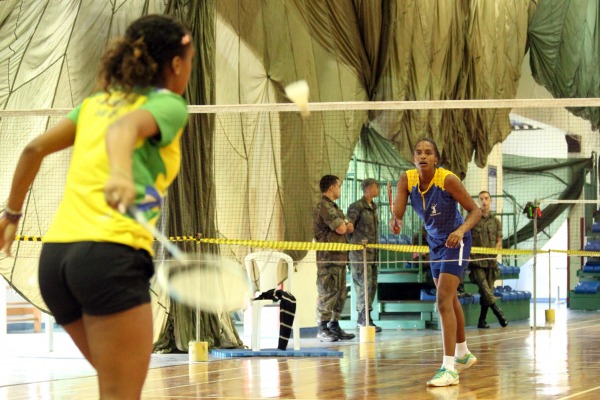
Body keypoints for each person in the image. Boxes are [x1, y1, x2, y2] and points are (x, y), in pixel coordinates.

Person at [0, 15, 193, 400]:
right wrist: (120, 172)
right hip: (108, 260)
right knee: (120, 394)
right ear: (175, 64)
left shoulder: (94, 105)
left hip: (56, 265)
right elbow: (125, 130)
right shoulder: (169, 104)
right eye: (189, 63)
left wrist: (12, 215)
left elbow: (33, 149)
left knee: (114, 386)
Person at [389, 138, 482, 387]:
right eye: (418, 152)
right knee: (449, 299)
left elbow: (476, 211)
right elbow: (398, 213)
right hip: (435, 244)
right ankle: (462, 353)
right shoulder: (406, 180)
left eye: (428, 152)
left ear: (436, 159)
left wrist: (461, 231)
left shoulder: (447, 180)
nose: (422, 156)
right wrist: (395, 220)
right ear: (413, 158)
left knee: (442, 300)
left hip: (456, 241)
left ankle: (448, 368)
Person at [313, 175, 356, 342]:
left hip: (339, 259)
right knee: (327, 293)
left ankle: (334, 325)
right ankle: (322, 328)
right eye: (338, 186)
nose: (340, 189)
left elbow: (349, 226)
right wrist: (345, 224)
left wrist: (345, 224)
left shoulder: (334, 207)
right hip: (328, 259)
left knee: (340, 293)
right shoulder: (324, 206)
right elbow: (341, 228)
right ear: (331, 187)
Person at [347, 178, 382, 332]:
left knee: (372, 285)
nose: (378, 190)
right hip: (360, 255)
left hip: (372, 255)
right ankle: (362, 318)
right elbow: (349, 227)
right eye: (376, 187)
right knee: (363, 285)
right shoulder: (357, 207)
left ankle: (368, 317)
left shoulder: (373, 207)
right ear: (368, 189)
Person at [469, 190, 508, 329]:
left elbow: (499, 241)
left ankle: (482, 320)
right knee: (484, 288)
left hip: (491, 261)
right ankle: (498, 312)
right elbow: (466, 237)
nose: (484, 201)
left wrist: (496, 252)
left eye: (486, 198)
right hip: (476, 261)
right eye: (481, 199)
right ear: (478, 201)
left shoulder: (496, 222)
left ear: (490, 200)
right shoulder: (473, 218)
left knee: (488, 290)